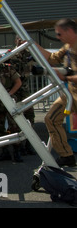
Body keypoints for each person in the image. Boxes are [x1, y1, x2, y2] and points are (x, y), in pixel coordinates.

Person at [35, 18, 77, 167]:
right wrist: (33, 45)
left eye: (59, 34)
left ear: (69, 31)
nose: (58, 37)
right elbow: (52, 59)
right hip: (71, 95)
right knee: (51, 119)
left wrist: (65, 76)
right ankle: (66, 155)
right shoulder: (67, 47)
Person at [9, 36, 36, 155]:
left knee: (30, 118)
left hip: (25, 92)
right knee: (15, 121)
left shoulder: (30, 54)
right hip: (15, 92)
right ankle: (17, 148)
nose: (21, 42)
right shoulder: (10, 55)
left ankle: (29, 145)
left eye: (23, 39)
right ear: (15, 41)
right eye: (19, 40)